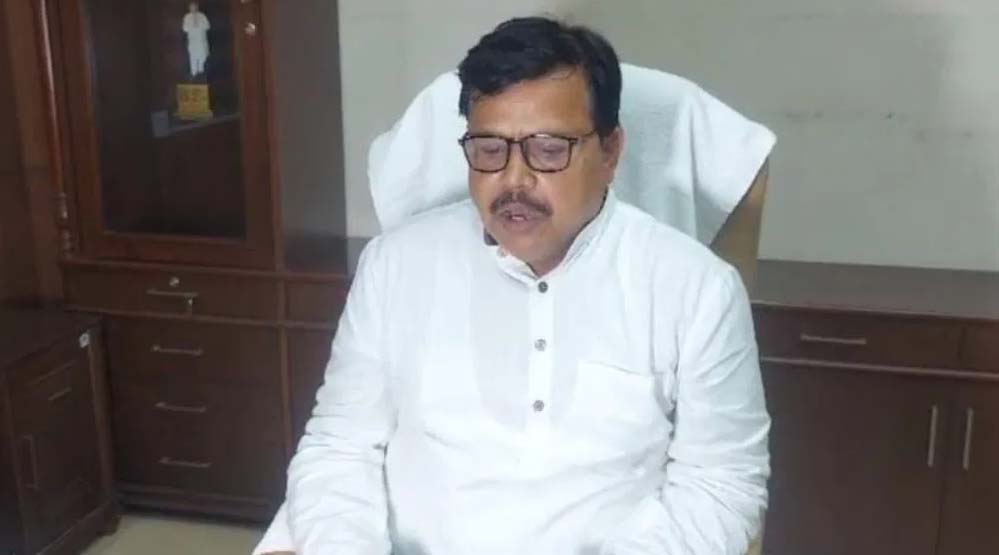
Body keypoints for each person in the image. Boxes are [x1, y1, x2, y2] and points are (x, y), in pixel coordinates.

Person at [256, 16, 770, 555]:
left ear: (610, 151)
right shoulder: (394, 266)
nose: (514, 180)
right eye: (489, 149)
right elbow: (341, 446)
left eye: (548, 150)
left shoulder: (697, 290)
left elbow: (721, 483)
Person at [182, 1, 210, 77]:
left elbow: (207, 26)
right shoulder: (187, 17)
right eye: (191, 7)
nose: (193, 8)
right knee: (193, 58)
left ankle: (201, 75)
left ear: (197, 7)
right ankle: (194, 74)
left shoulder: (202, 16)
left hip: (201, 41)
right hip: (193, 41)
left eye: (194, 6)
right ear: (189, 8)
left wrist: (199, 26)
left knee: (202, 58)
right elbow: (185, 29)